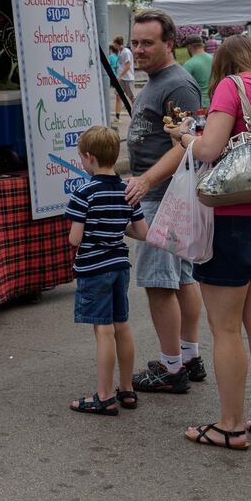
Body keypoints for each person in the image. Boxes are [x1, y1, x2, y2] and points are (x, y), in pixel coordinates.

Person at [170, 35, 251, 450]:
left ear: (223, 63)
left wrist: (183, 137)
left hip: (236, 219)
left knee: (225, 328)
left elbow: (210, 148)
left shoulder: (234, 85)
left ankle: (231, 425)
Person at [121, 10, 206, 395]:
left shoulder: (178, 85)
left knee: (159, 282)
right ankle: (188, 356)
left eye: (147, 43)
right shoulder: (159, 80)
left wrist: (145, 180)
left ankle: (172, 367)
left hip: (163, 196)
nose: (138, 49)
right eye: (135, 42)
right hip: (163, 194)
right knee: (183, 277)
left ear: (169, 44)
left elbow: (185, 146)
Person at [64, 125, 148, 416]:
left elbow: (75, 238)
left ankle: (104, 395)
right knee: (121, 325)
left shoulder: (83, 192)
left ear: (89, 157)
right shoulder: (127, 190)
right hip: (119, 265)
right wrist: (114, 227)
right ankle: (127, 388)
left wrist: (92, 231)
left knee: (103, 330)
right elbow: (141, 232)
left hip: (93, 267)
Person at [182, 34, 213, 109]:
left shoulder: (189, 64)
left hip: (200, 105)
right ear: (202, 44)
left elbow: (184, 89)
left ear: (189, 47)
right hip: (215, 101)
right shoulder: (213, 58)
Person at [114, 36, 136, 119]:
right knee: (118, 96)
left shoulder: (126, 52)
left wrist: (120, 76)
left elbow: (127, 66)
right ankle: (117, 116)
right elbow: (123, 65)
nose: (114, 46)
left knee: (131, 97)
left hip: (128, 78)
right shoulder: (121, 51)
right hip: (121, 78)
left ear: (117, 44)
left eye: (114, 44)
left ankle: (136, 114)